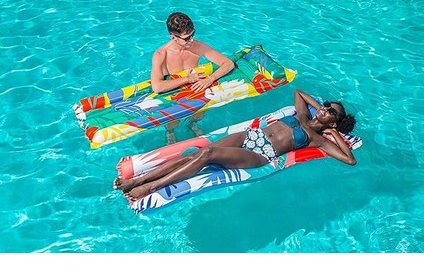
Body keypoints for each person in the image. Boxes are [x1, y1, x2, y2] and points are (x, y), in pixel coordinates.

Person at [114, 89, 357, 201]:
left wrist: (333, 134)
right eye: (326, 105)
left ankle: (151, 186)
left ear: (334, 121)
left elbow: (349, 159)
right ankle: (137, 180)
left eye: (331, 111)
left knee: (207, 154)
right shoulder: (302, 115)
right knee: (196, 154)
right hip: (250, 136)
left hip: (262, 154)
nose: (325, 109)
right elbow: (299, 93)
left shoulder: (317, 139)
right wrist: (319, 108)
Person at [151, 12, 235, 143]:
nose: (191, 40)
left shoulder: (197, 46)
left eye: (192, 34)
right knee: (173, 122)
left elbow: (228, 64)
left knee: (199, 113)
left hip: (195, 89)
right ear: (173, 37)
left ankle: (192, 124)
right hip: (173, 92)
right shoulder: (161, 55)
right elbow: (157, 87)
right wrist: (188, 79)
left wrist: (210, 79)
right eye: (186, 38)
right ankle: (170, 132)